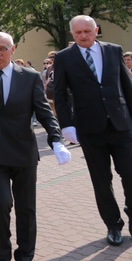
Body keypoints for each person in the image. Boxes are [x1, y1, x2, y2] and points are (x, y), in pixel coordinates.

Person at [0, 32, 71, 260]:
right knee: (1, 204)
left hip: (23, 153)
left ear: (13, 49)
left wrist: (55, 139)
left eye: (3, 48)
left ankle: (25, 254)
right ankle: (3, 255)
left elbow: (44, 112)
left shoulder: (30, 77)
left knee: (26, 208)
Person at [53, 15, 132, 246]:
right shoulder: (64, 58)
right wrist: (66, 125)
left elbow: (126, 86)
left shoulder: (113, 50)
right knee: (101, 180)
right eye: (78, 33)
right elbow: (60, 94)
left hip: (121, 124)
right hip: (90, 129)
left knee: (129, 173)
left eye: (87, 31)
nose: (83, 36)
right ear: (72, 34)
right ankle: (113, 225)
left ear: (96, 30)